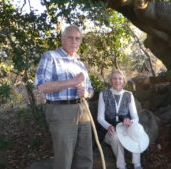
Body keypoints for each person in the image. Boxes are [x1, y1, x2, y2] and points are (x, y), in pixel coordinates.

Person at [35, 25, 94, 169]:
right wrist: (72, 82)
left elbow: (91, 89)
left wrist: (86, 94)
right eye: (70, 37)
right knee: (64, 159)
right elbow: (42, 86)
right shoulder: (51, 57)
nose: (74, 41)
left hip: (83, 110)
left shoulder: (80, 64)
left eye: (77, 38)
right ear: (62, 39)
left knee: (85, 156)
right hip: (61, 111)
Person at [97, 69, 145, 169]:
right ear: (110, 81)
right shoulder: (103, 94)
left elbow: (136, 117)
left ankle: (137, 164)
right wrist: (108, 126)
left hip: (125, 128)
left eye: (120, 78)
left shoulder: (128, 95)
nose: (117, 81)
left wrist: (130, 121)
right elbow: (100, 118)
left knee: (137, 131)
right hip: (111, 130)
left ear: (123, 80)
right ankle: (121, 166)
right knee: (116, 138)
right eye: (114, 78)